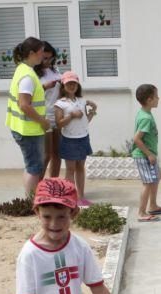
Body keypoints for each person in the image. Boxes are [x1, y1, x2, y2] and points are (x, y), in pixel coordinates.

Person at [5, 37, 50, 196]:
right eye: (41, 52)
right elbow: (24, 105)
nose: (43, 55)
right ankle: (31, 201)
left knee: (31, 166)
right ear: (31, 53)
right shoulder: (27, 76)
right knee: (34, 168)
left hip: (22, 128)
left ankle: (29, 199)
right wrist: (43, 122)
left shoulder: (22, 69)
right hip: (28, 130)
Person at [53, 71, 97, 205]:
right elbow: (59, 123)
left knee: (80, 168)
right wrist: (71, 116)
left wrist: (92, 113)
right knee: (70, 169)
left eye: (74, 83)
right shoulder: (60, 103)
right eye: (68, 83)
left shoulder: (82, 100)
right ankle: (70, 197)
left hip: (83, 138)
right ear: (63, 86)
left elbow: (84, 121)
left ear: (78, 85)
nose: (72, 86)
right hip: (69, 139)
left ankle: (81, 196)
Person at [132, 83, 161, 222]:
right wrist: (149, 154)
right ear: (149, 100)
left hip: (149, 155)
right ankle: (141, 212)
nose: (159, 98)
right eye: (156, 96)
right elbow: (137, 139)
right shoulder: (146, 118)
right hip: (144, 156)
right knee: (147, 183)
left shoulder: (144, 113)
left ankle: (153, 205)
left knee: (155, 179)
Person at [37, 42, 63, 178]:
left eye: (50, 58)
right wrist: (45, 87)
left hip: (57, 115)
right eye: (44, 58)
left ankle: (53, 185)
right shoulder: (34, 75)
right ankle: (36, 188)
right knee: (46, 155)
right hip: (44, 117)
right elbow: (28, 96)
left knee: (57, 154)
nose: (47, 61)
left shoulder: (56, 70)